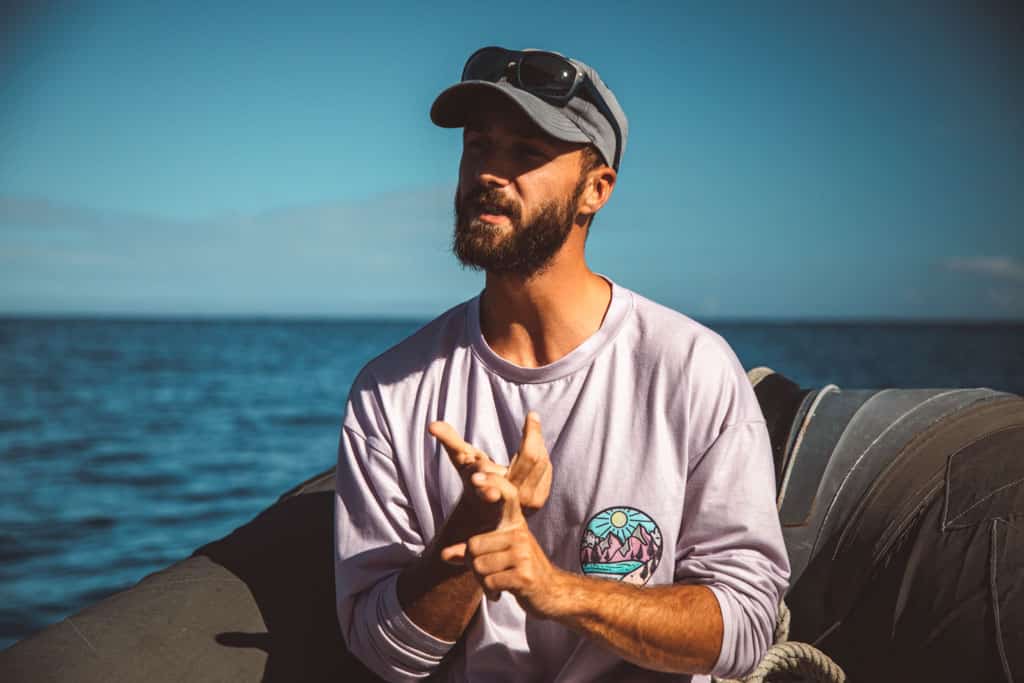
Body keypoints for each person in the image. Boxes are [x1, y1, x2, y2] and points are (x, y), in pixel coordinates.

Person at [333, 46, 790, 682]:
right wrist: (473, 529)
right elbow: (382, 653)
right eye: (478, 146)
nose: (490, 172)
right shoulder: (390, 392)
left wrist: (558, 590)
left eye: (525, 152)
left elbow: (743, 625)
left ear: (595, 190)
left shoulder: (691, 368)